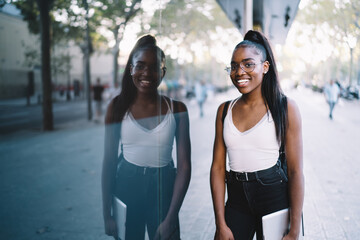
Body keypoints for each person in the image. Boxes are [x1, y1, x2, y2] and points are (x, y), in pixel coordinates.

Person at [210, 30, 304, 240]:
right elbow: (217, 169)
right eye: (234, 66)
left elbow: (296, 171)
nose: (239, 71)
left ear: (265, 66)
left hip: (273, 197)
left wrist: (294, 231)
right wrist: (220, 223)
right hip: (236, 200)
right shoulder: (224, 111)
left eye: (248, 64)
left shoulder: (285, 107)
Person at [101, 35, 191, 240]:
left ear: (163, 72)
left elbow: (185, 166)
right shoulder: (117, 107)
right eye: (140, 66)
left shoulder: (177, 109)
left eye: (154, 67)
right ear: (131, 68)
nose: (146, 73)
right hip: (126, 185)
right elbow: (109, 161)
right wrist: (107, 214)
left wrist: (171, 217)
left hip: (163, 189)